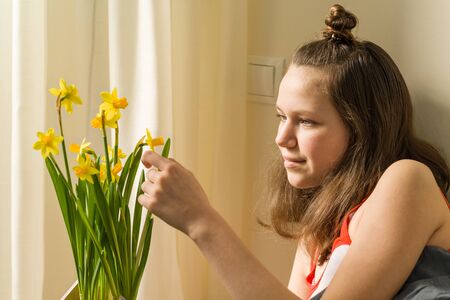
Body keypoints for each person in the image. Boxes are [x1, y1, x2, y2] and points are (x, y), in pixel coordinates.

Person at [139, 4, 450, 299]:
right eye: (281, 117)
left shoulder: (408, 180)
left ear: (363, 128)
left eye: (306, 121)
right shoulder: (317, 232)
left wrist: (200, 220)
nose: (281, 137)